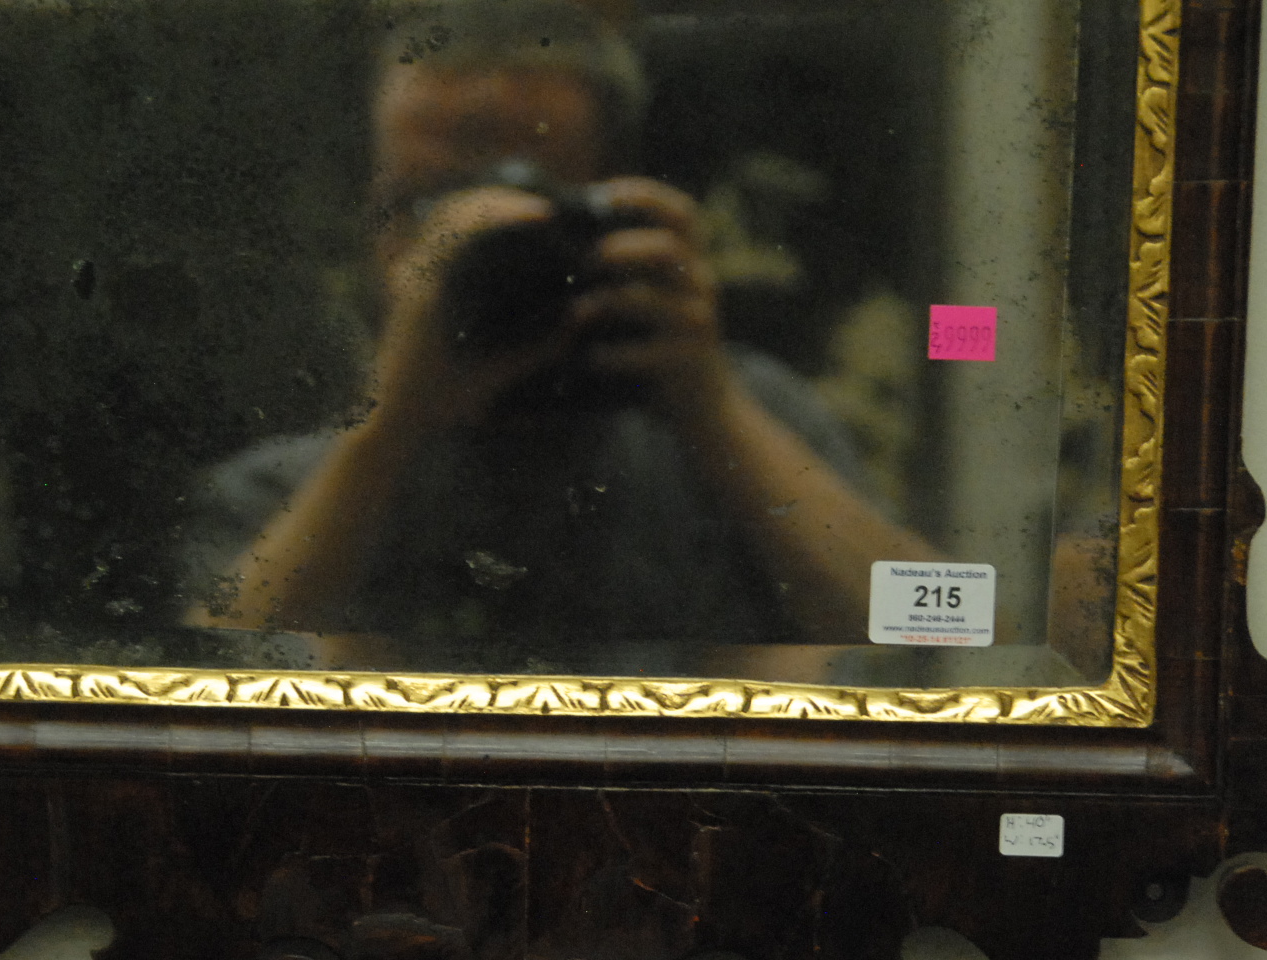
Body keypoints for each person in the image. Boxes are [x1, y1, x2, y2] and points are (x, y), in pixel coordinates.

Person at [185, 0, 937, 674]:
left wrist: (711, 408)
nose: (472, 245)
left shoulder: (746, 417)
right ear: (371, 228)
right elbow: (196, 693)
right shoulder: (290, 481)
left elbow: (948, 645)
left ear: (617, 209)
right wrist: (387, 427)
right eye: (425, 206)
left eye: (525, 205)